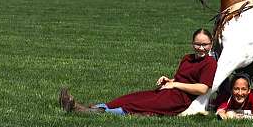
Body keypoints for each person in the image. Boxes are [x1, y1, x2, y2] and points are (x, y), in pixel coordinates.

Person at [59, 29, 216, 116]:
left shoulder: (209, 63)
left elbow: (202, 88)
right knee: (129, 97)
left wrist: (175, 84)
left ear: (211, 44)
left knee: (137, 105)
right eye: (197, 44)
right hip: (167, 91)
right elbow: (183, 77)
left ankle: (89, 112)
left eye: (205, 45)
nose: (201, 48)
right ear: (192, 43)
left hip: (179, 100)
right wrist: (169, 80)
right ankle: (89, 108)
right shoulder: (187, 58)